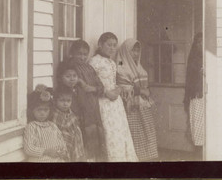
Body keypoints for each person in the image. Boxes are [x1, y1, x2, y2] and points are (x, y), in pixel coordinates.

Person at [89, 32, 138, 162]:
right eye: (109, 45)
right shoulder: (94, 62)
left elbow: (114, 80)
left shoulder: (112, 62)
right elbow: (92, 83)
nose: (112, 48)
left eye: (114, 45)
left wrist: (118, 89)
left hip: (116, 103)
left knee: (120, 132)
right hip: (103, 101)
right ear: (100, 45)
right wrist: (106, 92)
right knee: (110, 132)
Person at [116, 38, 159, 161]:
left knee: (147, 130)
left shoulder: (138, 66)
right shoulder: (121, 66)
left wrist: (145, 90)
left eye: (137, 51)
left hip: (143, 104)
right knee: (136, 132)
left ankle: (148, 157)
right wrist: (141, 91)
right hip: (131, 106)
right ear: (125, 52)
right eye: (132, 51)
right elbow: (124, 89)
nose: (135, 54)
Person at [56, 59, 104, 161]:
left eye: (74, 76)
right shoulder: (61, 92)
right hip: (70, 126)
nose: (72, 79)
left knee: (86, 148)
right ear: (60, 78)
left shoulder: (80, 88)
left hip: (84, 123)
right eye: (68, 76)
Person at [68, 40, 107, 161]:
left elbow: (101, 87)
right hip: (78, 104)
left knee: (94, 132)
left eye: (85, 54)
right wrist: (78, 81)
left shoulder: (89, 68)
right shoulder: (70, 68)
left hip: (92, 104)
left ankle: (93, 161)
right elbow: (66, 81)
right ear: (72, 53)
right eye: (79, 54)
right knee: (81, 133)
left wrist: (91, 88)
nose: (82, 57)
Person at [23, 85, 69, 162]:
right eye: (39, 110)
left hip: (56, 160)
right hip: (40, 160)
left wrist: (63, 150)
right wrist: (46, 151)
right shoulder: (32, 127)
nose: (42, 113)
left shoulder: (52, 125)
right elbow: (29, 148)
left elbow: (61, 141)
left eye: (46, 110)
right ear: (32, 111)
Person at [51, 86, 86, 162]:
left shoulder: (71, 114)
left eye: (68, 101)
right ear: (55, 101)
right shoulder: (54, 114)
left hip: (75, 143)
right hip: (61, 144)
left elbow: (75, 127)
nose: (65, 104)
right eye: (62, 101)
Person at [184, 32, 204, 149]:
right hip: (196, 96)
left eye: (202, 42)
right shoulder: (193, 59)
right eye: (198, 42)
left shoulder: (207, 59)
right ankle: (198, 150)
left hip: (205, 96)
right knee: (197, 125)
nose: (200, 45)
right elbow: (191, 79)